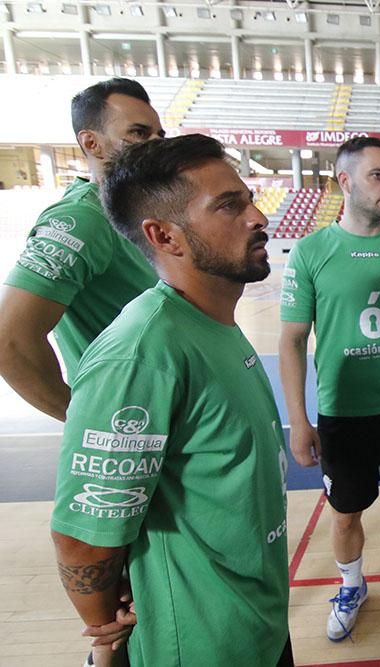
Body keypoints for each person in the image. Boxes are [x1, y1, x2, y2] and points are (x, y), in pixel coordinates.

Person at [50, 134, 292, 667]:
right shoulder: (141, 353)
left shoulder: (211, 325)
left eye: (248, 199)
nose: (257, 217)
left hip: (256, 627)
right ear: (164, 235)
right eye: (230, 205)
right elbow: (83, 540)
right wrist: (105, 635)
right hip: (201, 646)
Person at [278, 136, 380, 658]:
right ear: (344, 182)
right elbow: (290, 339)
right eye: (378, 176)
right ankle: (352, 585)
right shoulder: (311, 251)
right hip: (342, 415)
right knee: (345, 514)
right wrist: (299, 421)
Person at [0, 78, 163, 422]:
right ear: (92, 143)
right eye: (138, 133)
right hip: (127, 425)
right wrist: (85, 419)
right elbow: (10, 341)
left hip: (160, 416)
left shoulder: (135, 216)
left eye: (158, 136)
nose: (154, 145)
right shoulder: (82, 220)